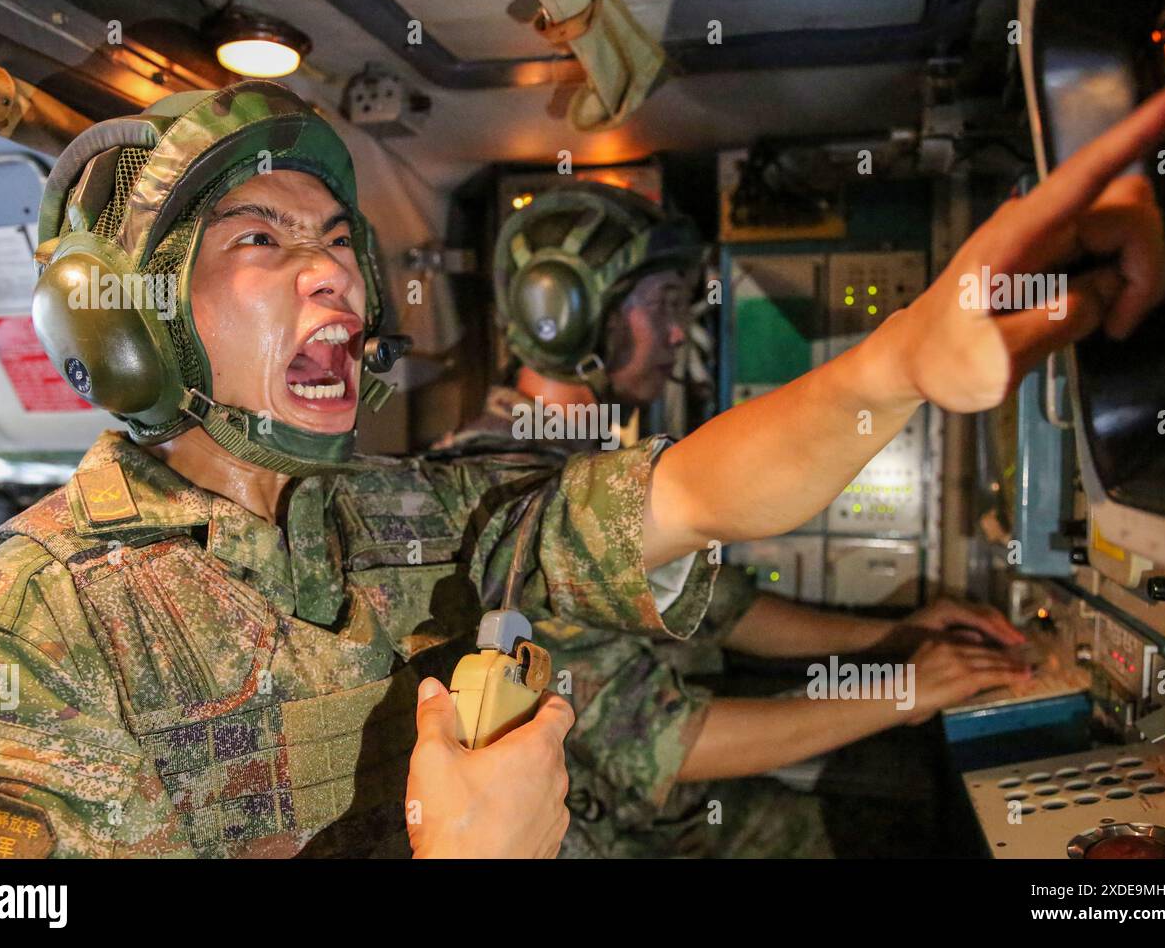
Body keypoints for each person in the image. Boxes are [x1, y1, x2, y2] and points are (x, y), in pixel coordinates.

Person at [0, 61, 1165, 858]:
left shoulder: (399, 510)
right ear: (123, 318)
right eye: (258, 237)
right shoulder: (27, 635)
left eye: (334, 237)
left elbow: (690, 496)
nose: (331, 268)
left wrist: (899, 369)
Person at [436, 182, 1030, 857]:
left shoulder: (579, 459)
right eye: (661, 304)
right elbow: (659, 743)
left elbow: (723, 608)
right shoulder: (504, 495)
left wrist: (893, 636)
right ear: (566, 316)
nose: (674, 332)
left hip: (672, 814)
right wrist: (904, 693)